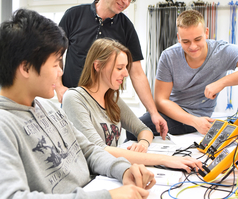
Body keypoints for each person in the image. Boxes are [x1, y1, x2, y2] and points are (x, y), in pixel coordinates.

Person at [0, 8, 157, 199]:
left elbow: (89, 150)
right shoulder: (4, 125)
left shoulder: (49, 109)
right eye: (56, 63)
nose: (60, 72)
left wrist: (124, 170)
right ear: (25, 67)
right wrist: (109, 196)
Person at [57, 0, 168, 139]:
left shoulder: (126, 27)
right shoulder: (74, 16)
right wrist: (58, 87)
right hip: (72, 102)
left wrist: (153, 112)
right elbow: (55, 56)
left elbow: (137, 73)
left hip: (104, 105)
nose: (126, 2)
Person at [62, 38, 202, 172]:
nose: (126, 74)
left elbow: (143, 129)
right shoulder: (74, 98)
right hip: (91, 178)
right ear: (97, 66)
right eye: (119, 68)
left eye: (125, 67)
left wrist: (143, 144)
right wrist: (164, 159)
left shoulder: (112, 99)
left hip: (111, 170)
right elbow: (99, 150)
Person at [134, 9, 238, 137]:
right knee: (133, 129)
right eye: (186, 41)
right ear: (178, 38)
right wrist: (194, 122)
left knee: (137, 130)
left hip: (200, 116)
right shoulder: (168, 56)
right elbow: (160, 101)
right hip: (173, 113)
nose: (193, 46)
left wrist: (222, 82)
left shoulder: (223, 51)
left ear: (206, 33)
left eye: (198, 39)